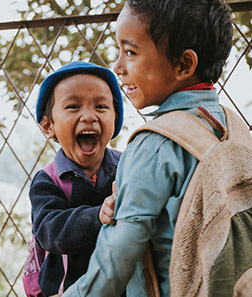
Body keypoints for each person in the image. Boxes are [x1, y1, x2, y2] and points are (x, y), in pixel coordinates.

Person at [60, 0, 233, 296]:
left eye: (130, 52)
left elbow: (115, 260)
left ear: (183, 65)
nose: (117, 66)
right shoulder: (231, 127)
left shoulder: (155, 144)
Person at [29, 61, 124, 297]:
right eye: (73, 106)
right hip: (69, 290)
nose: (89, 116)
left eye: (101, 106)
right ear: (48, 126)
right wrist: (97, 215)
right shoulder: (47, 181)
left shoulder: (128, 167)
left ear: (115, 120)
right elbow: (49, 231)